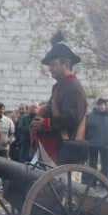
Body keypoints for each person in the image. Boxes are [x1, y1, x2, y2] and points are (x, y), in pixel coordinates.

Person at [31, 32, 88, 166]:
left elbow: (72, 118)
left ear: (66, 65)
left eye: (54, 64)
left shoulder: (73, 88)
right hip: (54, 147)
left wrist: (45, 123)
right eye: (50, 65)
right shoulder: (61, 86)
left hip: (64, 148)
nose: (50, 68)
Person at [85, 98, 108, 183]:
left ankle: (105, 183)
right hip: (93, 144)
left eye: (103, 105)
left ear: (105, 106)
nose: (101, 106)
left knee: (106, 165)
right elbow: (86, 128)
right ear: (97, 105)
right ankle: (92, 183)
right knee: (93, 164)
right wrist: (88, 139)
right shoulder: (91, 116)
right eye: (99, 105)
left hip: (106, 144)